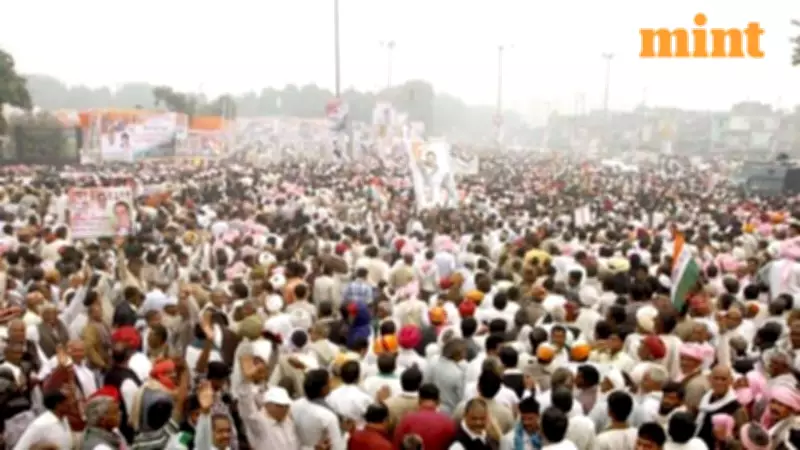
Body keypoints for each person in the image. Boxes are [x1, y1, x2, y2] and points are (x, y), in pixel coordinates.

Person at [394, 383, 456, 449]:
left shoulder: (407, 419)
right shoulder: (448, 422)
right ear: (438, 401)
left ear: (419, 400)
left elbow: (397, 443)